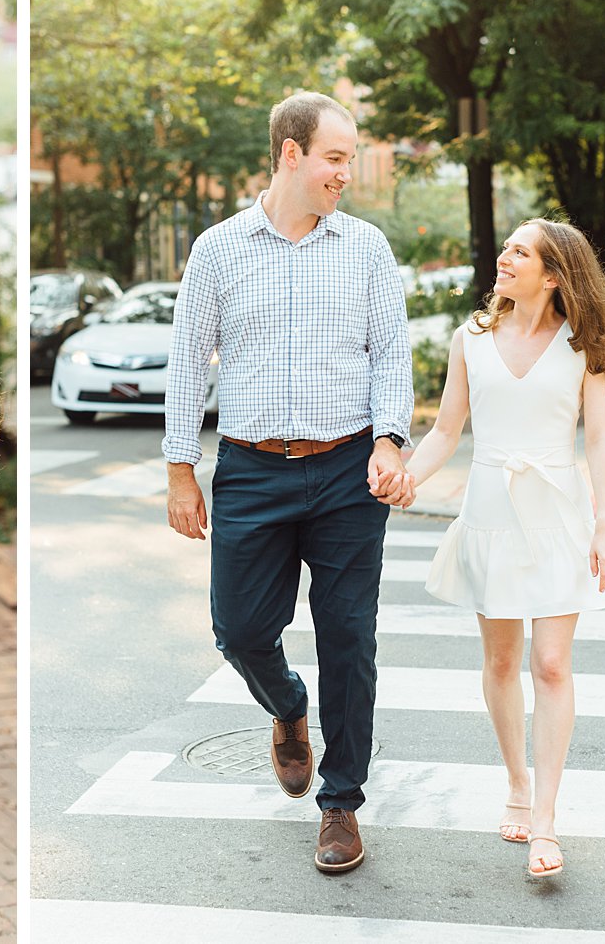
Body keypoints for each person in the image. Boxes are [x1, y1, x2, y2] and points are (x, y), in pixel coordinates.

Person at [164, 91, 413, 874]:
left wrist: (391, 439)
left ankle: (340, 803)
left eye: (350, 157)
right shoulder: (218, 249)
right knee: (238, 631)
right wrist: (181, 471)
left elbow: (392, 355)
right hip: (251, 471)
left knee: (350, 640)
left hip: (346, 471)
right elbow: (185, 363)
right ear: (290, 154)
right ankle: (287, 707)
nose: (348, 172)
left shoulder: (367, 248)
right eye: (337, 157)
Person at [400, 217, 605, 881]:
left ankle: (547, 821)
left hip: (559, 515)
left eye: (520, 252)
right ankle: (517, 784)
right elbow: (446, 429)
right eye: (507, 248)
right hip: (491, 512)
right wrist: (407, 477)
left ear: (553, 275)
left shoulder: (585, 344)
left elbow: (601, 442)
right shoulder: (470, 339)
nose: (505, 258)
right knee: (501, 660)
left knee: (551, 664)